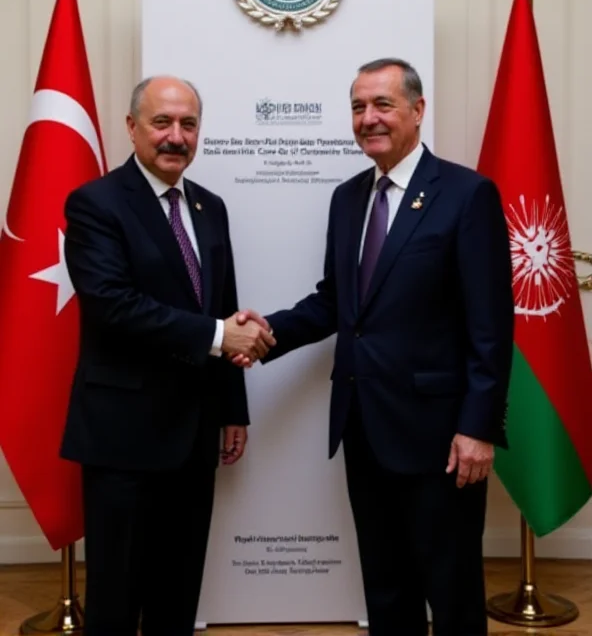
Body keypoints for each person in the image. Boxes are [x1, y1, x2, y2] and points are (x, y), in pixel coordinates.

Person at [236, 58, 514, 635]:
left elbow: (491, 325)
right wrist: (267, 335)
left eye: (382, 105)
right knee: (386, 586)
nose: (369, 119)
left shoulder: (466, 194)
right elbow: (337, 304)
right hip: (364, 425)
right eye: (359, 107)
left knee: (452, 586)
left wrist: (479, 427)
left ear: (417, 110)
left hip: (442, 437)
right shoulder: (347, 198)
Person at [60, 76, 275, 636]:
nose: (175, 137)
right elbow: (114, 306)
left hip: (194, 434)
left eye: (188, 124)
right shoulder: (95, 204)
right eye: (162, 123)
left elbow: (223, 309)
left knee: (177, 595)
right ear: (131, 128)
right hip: (122, 441)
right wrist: (216, 335)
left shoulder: (210, 207)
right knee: (116, 599)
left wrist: (233, 409)